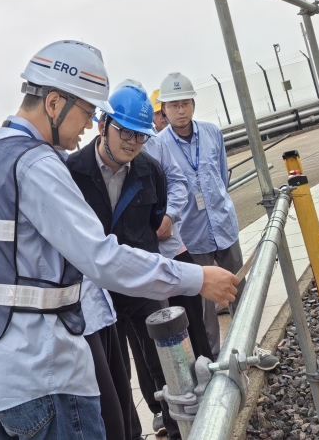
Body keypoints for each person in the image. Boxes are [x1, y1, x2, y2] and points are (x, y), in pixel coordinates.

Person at [0, 40, 239, 440]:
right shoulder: (37, 165)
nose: (87, 125)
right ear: (53, 103)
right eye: (85, 112)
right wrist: (196, 278)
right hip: (42, 379)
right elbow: (103, 258)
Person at [109, 81, 213, 438]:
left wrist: (170, 216)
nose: (134, 138)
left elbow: (179, 183)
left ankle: (199, 387)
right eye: (126, 129)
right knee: (139, 347)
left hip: (167, 250)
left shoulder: (154, 153)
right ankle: (159, 409)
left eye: (141, 129)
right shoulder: (91, 168)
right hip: (131, 268)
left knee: (188, 321)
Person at [157, 72, 278, 371]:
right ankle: (211, 358)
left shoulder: (212, 133)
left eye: (185, 103)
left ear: (194, 104)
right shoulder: (158, 146)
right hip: (190, 233)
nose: (181, 110)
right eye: (174, 106)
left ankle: (250, 345)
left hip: (222, 225)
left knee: (238, 286)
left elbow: (222, 175)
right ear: (164, 111)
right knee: (203, 301)